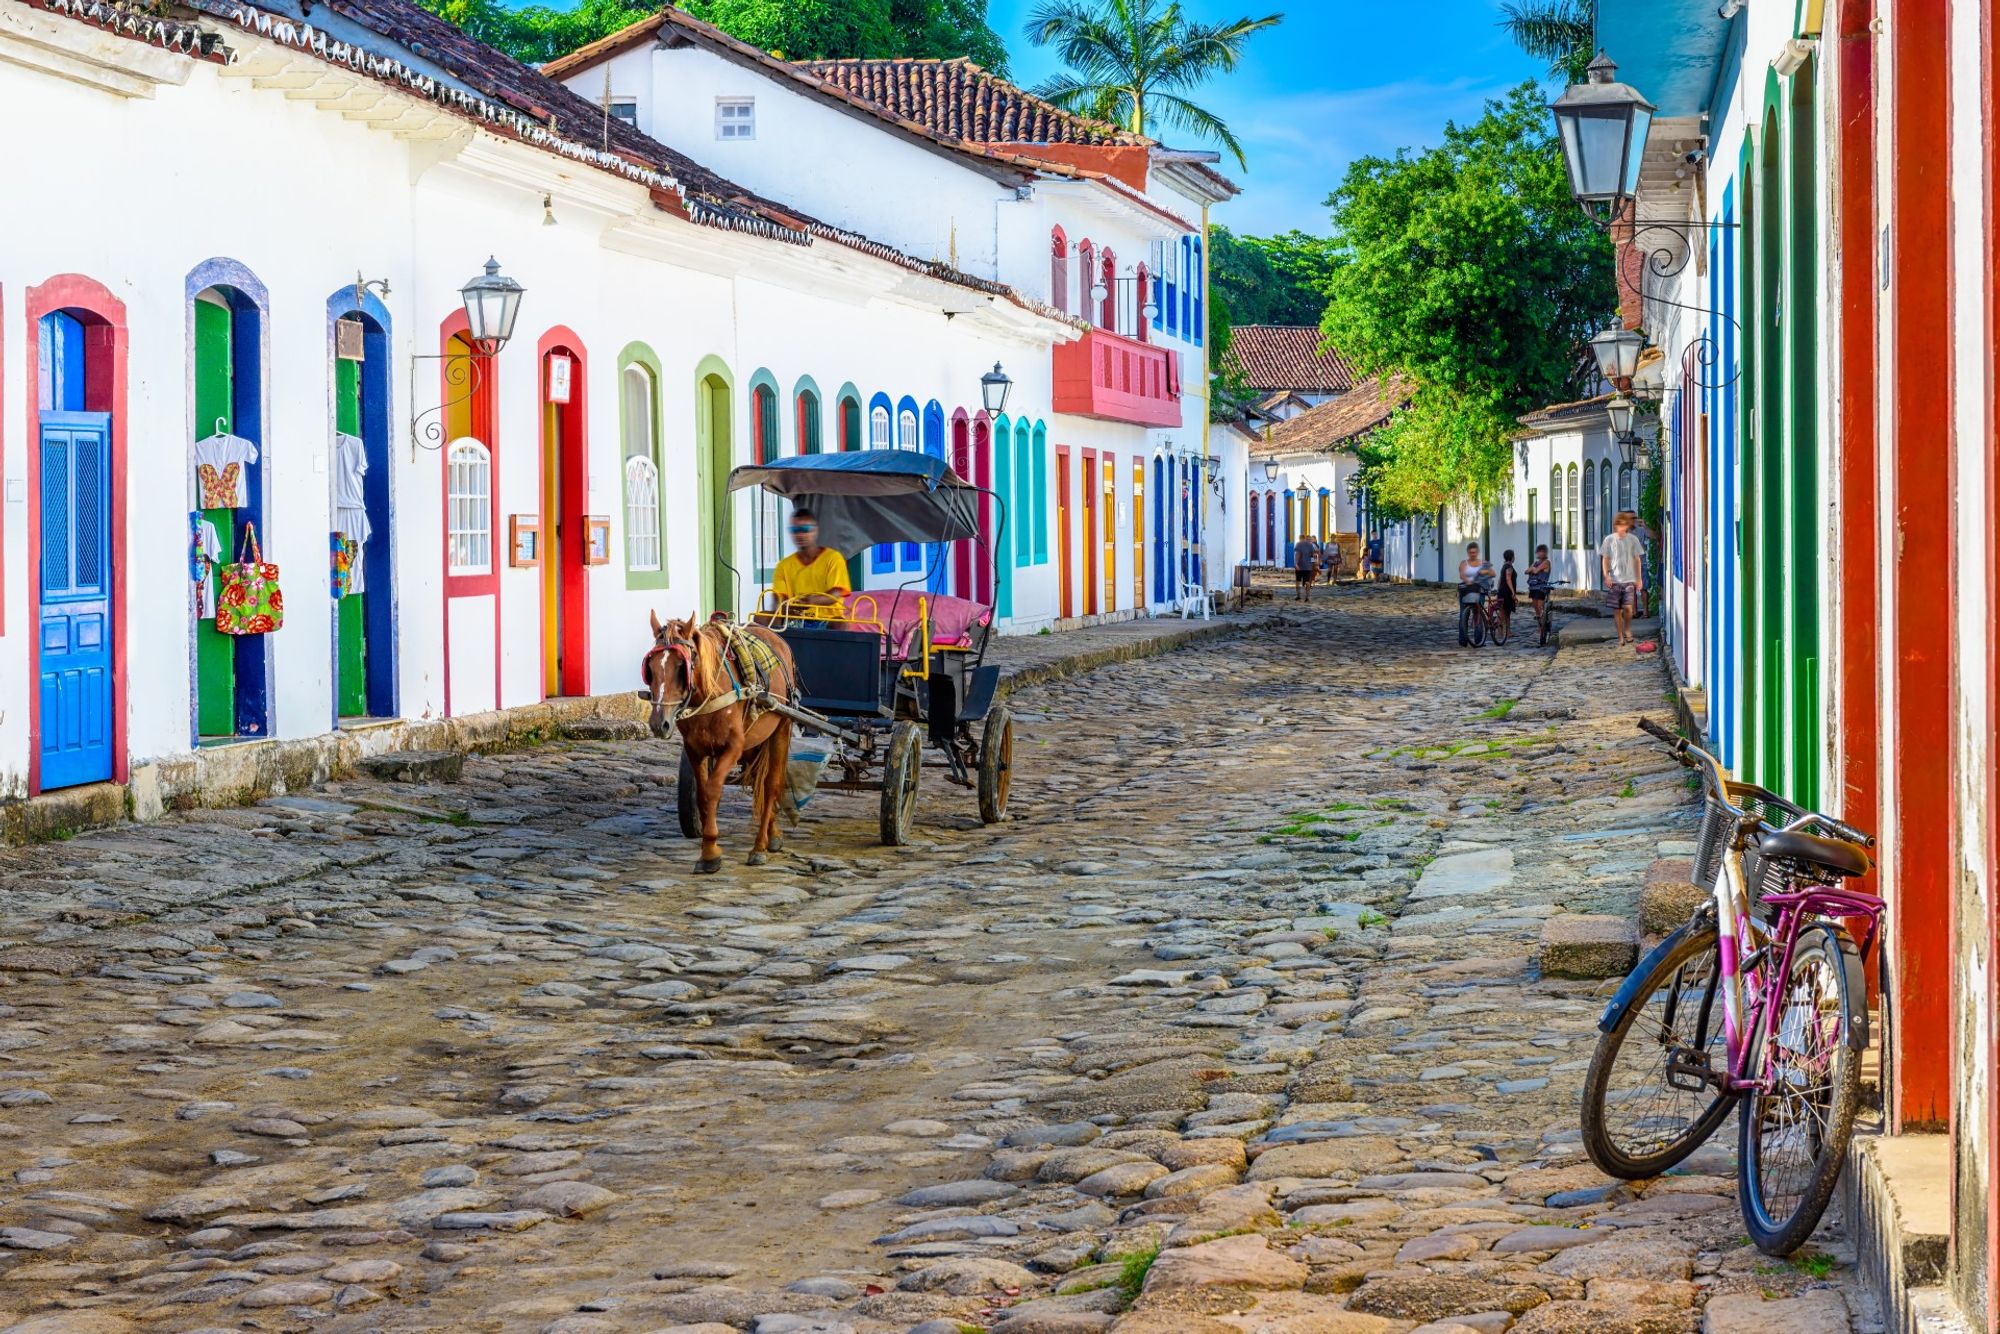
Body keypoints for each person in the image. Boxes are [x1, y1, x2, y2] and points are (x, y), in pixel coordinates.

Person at [771, 507, 850, 620]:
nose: (800, 534)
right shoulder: (783, 565)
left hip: (827, 619)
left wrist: (813, 601)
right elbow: (778, 600)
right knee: (761, 618)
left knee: (841, 622)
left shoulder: (833, 558)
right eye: (795, 530)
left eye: (805, 529)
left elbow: (835, 594)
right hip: (795, 618)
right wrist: (787, 609)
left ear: (815, 531)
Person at [1600, 510, 1645, 647]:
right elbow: (1605, 559)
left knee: (1628, 608)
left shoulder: (1633, 540)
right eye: (1619, 525)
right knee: (1617, 610)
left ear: (1627, 526)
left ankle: (1627, 628)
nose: (1621, 527)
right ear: (1616, 526)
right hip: (1614, 580)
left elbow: (1638, 560)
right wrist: (1606, 575)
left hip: (1629, 579)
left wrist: (1639, 579)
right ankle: (1620, 636)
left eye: (1624, 525)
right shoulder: (1609, 540)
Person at [1293, 532, 1321, 602]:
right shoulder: (1310, 545)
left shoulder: (1298, 544)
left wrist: (1296, 563)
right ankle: (1307, 597)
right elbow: (1313, 555)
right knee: (1307, 582)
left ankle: (1298, 595)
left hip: (1299, 566)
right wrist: (1315, 564)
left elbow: (1297, 554)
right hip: (1308, 566)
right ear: (1305, 538)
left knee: (1298, 581)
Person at [1498, 548, 1520, 631]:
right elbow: (1508, 579)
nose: (1514, 558)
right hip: (1507, 592)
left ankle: (1506, 631)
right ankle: (1503, 631)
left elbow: (1500, 579)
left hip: (1502, 591)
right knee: (1505, 612)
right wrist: (1513, 592)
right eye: (1514, 556)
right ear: (1512, 557)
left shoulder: (1504, 566)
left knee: (1504, 612)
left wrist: (1498, 589)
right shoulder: (1509, 567)